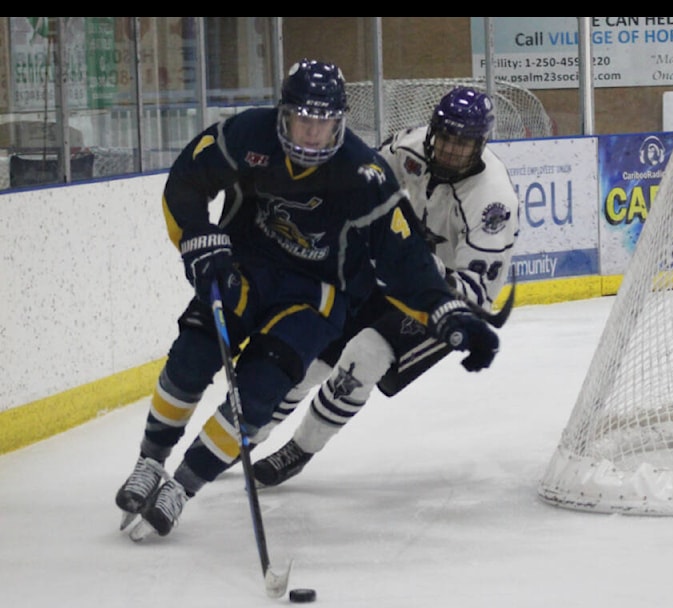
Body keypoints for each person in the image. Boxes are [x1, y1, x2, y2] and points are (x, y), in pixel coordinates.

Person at [114, 61, 501, 539]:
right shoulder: (247, 134)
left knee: (257, 395)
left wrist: (446, 312)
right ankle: (149, 464)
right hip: (242, 270)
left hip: (314, 299)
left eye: (324, 122)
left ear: (339, 122)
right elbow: (187, 179)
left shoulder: (364, 173)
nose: (313, 134)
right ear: (284, 115)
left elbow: (404, 258)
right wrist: (197, 236)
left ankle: (182, 486)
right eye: (304, 120)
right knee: (191, 357)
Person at [250, 86, 519, 488]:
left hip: (445, 301)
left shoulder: (493, 203)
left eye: (462, 144)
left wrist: (420, 271)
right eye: (445, 138)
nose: (449, 151)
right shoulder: (405, 149)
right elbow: (363, 193)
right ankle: (248, 432)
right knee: (316, 348)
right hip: (389, 269)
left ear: (480, 145)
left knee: (365, 354)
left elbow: (475, 292)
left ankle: (301, 448)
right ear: (432, 132)